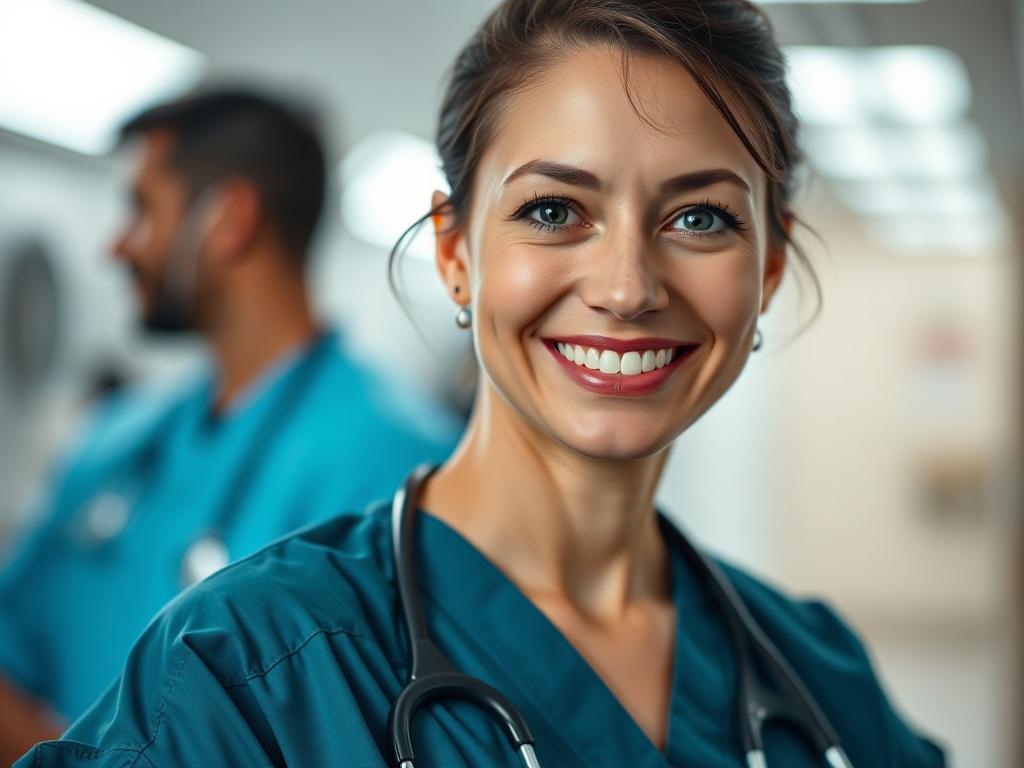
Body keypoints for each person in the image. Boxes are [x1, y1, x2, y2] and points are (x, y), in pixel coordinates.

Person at [17, 2, 947, 766]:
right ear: (456, 253)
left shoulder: (818, 678)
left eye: (701, 217)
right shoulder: (255, 671)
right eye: (554, 210)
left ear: (769, 271)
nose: (627, 287)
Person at [0, 89, 459, 764]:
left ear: (228, 220)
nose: (116, 247)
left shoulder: (400, 469)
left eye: (141, 209)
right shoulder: (112, 442)